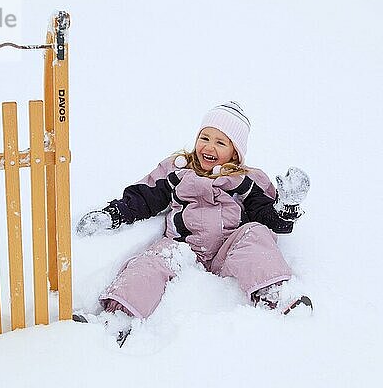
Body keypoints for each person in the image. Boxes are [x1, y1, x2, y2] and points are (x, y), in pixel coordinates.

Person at [76, 101, 311, 343]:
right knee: (152, 261)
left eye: (221, 142)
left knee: (255, 233)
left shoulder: (246, 179)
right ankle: (118, 316)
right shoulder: (176, 170)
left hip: (228, 250)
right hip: (182, 248)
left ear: (235, 152)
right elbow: (144, 197)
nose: (209, 147)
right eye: (204, 137)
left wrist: (286, 207)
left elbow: (269, 220)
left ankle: (275, 294)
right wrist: (112, 215)